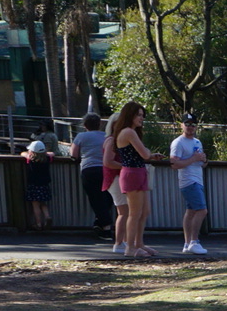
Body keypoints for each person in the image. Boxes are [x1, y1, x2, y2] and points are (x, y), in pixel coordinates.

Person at [108, 102, 159, 258]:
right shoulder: (128, 132)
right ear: (129, 115)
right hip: (132, 173)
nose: (141, 118)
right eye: (138, 115)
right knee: (134, 213)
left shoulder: (132, 132)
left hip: (139, 171)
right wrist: (149, 153)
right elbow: (144, 153)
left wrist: (150, 155)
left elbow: (143, 155)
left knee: (144, 211)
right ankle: (129, 247)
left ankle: (139, 243)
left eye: (142, 115)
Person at [169, 112, 209, 255]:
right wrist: (193, 158)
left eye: (193, 124)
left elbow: (202, 163)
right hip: (188, 181)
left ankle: (187, 243)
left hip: (198, 179)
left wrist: (203, 160)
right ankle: (194, 241)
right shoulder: (178, 142)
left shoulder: (197, 142)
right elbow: (174, 164)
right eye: (187, 124)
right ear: (182, 125)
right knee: (202, 210)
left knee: (191, 211)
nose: (190, 127)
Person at [71, 113, 114, 238]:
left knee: (96, 198)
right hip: (107, 168)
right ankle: (100, 223)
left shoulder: (81, 136)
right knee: (107, 197)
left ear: (85, 125)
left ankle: (106, 227)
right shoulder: (107, 136)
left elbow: (74, 154)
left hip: (89, 169)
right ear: (100, 124)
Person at [22, 139, 53, 231]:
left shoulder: (30, 159)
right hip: (44, 184)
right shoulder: (47, 159)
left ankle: (38, 224)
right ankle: (47, 216)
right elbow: (52, 154)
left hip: (34, 184)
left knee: (35, 205)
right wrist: (47, 153)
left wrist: (27, 153)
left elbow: (23, 154)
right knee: (43, 203)